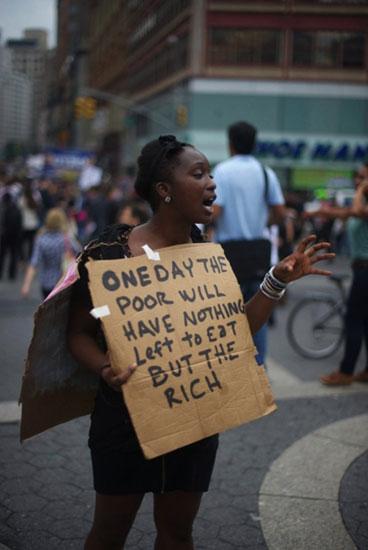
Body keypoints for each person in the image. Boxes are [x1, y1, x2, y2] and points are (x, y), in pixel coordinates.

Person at [65, 135, 334, 550]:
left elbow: (237, 330)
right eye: (199, 173)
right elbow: (78, 333)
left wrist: (277, 279)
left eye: (210, 173)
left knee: (177, 532)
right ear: (164, 191)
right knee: (108, 534)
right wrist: (105, 368)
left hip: (195, 422)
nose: (212, 183)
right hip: (123, 424)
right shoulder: (107, 253)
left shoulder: (207, 256)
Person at [212, 121, 286, 365]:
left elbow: (216, 211)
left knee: (226, 312)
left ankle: (230, 364)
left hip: (228, 254)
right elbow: (280, 212)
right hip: (257, 252)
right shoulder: (266, 172)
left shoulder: (222, 171)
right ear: (254, 144)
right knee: (259, 310)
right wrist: (262, 221)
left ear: (230, 143)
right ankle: (258, 366)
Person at [306, 163, 368, 386]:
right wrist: (319, 212)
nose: (357, 180)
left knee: (353, 320)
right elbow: (346, 212)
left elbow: (358, 211)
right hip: (361, 269)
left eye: (362, 176)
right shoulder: (361, 203)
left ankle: (346, 371)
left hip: (366, 271)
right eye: (356, 177)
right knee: (364, 321)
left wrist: (361, 189)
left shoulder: (363, 202)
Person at [21, 207, 79, 300]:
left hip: (46, 282)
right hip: (63, 280)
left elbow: (34, 263)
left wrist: (26, 284)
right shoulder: (66, 239)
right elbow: (80, 253)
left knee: (48, 309)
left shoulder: (41, 239)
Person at [0, 192, 22, 280]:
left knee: (2, 255)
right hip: (15, 236)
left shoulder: (3, 209)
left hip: (4, 235)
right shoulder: (17, 209)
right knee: (13, 255)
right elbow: (20, 224)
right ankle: (12, 274)